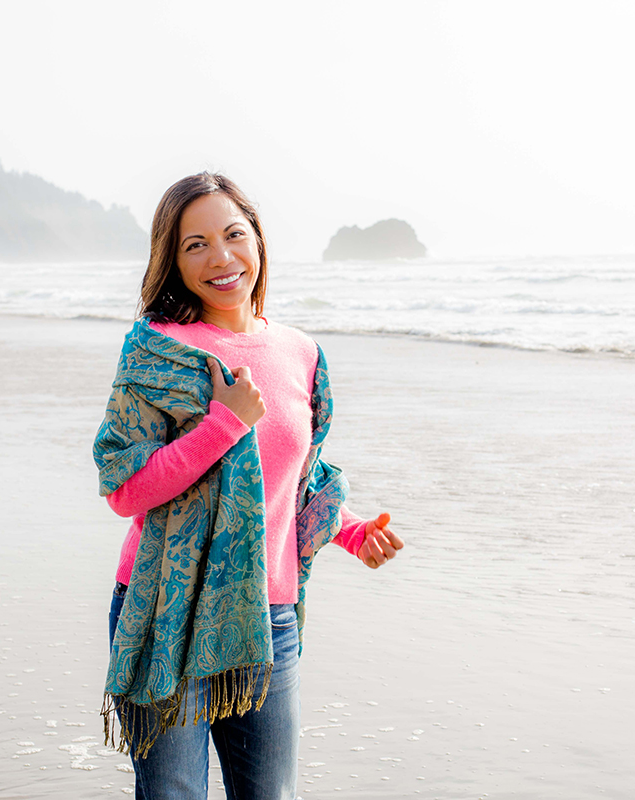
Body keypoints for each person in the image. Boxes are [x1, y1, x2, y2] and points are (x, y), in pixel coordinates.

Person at [93, 172, 404, 800]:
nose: (220, 257)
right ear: (172, 261)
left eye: (234, 235)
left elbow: (300, 471)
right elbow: (125, 489)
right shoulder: (156, 351)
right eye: (195, 244)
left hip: (269, 616)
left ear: (257, 241)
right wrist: (224, 423)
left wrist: (349, 532)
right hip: (168, 612)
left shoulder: (301, 352)